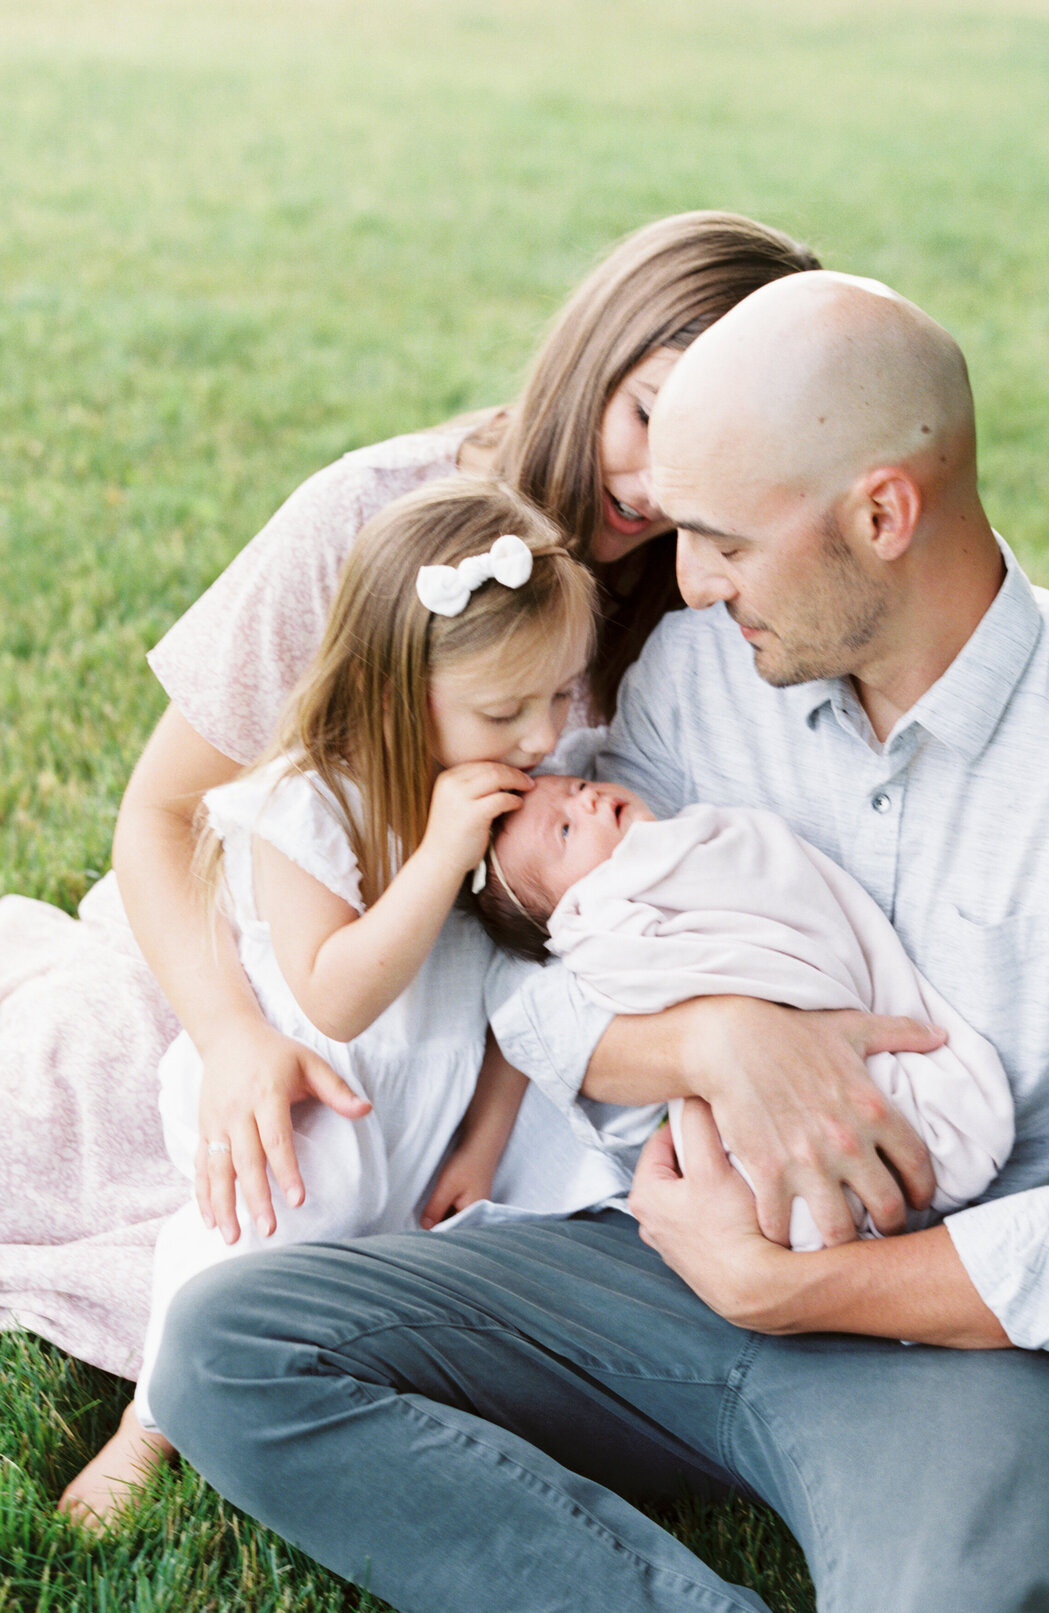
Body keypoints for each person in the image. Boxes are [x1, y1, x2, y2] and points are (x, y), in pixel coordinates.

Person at [152, 269, 1049, 1612]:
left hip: (960, 1332)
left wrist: (792, 1286)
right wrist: (705, 1039)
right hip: (650, 1254)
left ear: (881, 513)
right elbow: (526, 973)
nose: (687, 581)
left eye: (724, 540)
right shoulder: (707, 669)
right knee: (228, 1345)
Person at [1, 213, 830, 1384]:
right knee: (92, 1152)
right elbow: (164, 814)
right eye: (646, 415)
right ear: (596, 351)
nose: (655, 486)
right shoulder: (382, 522)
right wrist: (236, 1037)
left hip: (472, 1045)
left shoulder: (712, 586)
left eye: (715, 455)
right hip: (250, 974)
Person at [64, 480, 633, 1524]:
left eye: (560, 695)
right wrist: (440, 857)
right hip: (329, 1092)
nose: (542, 735)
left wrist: (485, 1133)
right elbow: (338, 996)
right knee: (254, 1235)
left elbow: (533, 973)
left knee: (526, 1220)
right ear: (394, 687)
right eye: (505, 710)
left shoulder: (516, 779)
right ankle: (149, 1418)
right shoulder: (311, 803)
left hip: (450, 1099)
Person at [474, 771, 1014, 1250]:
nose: (589, 801)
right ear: (562, 910)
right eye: (565, 831)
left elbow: (781, 883)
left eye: (579, 787)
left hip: (841, 999)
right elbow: (607, 982)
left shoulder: (709, 837)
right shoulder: (601, 926)